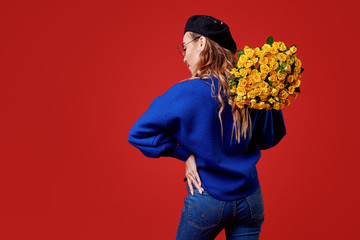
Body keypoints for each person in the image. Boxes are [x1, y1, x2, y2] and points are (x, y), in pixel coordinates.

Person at [128, 15, 286, 240]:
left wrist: (185, 154)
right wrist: (269, 97)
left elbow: (138, 135)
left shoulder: (184, 93)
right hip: (251, 198)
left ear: (201, 43)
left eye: (184, 47)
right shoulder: (252, 88)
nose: (184, 59)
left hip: (208, 199)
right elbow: (270, 138)